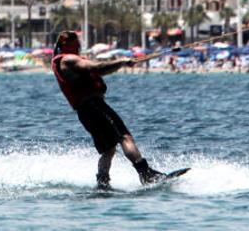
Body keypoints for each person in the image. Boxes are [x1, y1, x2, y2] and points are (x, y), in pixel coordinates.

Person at [51, 30, 166, 189]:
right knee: (125, 137)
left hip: (85, 112)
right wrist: (122, 61)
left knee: (108, 149)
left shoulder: (62, 62)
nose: (79, 45)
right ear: (66, 43)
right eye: (76, 42)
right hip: (94, 106)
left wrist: (122, 63)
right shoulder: (69, 59)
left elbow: (101, 70)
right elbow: (96, 67)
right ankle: (146, 174)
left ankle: (102, 182)